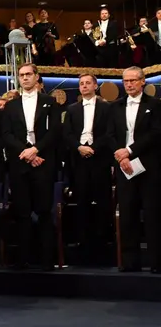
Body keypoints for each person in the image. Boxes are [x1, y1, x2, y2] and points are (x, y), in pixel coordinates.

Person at [1, 63, 61, 270]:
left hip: (43, 163)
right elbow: (6, 135)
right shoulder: (11, 106)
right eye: (21, 75)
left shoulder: (50, 102)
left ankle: (46, 259)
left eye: (28, 75)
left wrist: (35, 150)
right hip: (20, 164)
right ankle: (23, 258)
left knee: (44, 211)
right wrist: (27, 152)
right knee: (22, 212)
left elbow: (54, 132)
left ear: (37, 77)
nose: (25, 78)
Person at [107, 67, 161, 272]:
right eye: (125, 81)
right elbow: (109, 135)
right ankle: (130, 262)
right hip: (124, 167)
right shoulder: (115, 107)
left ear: (143, 81)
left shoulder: (155, 105)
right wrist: (121, 156)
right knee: (127, 213)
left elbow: (156, 134)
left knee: (152, 213)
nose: (128, 84)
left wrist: (129, 151)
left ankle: (157, 261)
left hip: (149, 166)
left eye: (132, 80)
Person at [63, 74, 113, 266]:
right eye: (81, 84)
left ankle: (102, 240)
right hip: (79, 159)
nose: (84, 86)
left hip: (99, 158)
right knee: (81, 200)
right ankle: (82, 241)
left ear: (95, 85)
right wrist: (79, 147)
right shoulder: (72, 109)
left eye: (87, 83)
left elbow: (110, 132)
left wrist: (94, 148)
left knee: (102, 200)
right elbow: (66, 133)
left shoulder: (107, 108)